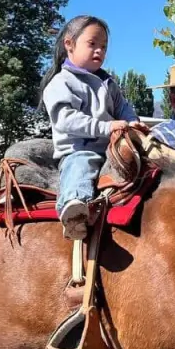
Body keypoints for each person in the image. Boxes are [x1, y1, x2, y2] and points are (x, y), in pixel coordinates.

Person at [40, 15, 148, 241]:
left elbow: (123, 108)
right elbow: (66, 120)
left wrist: (132, 122)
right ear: (69, 44)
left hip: (111, 149)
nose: (99, 51)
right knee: (81, 166)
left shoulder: (108, 83)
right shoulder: (61, 83)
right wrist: (107, 127)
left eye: (104, 47)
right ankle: (73, 209)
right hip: (79, 148)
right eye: (92, 44)